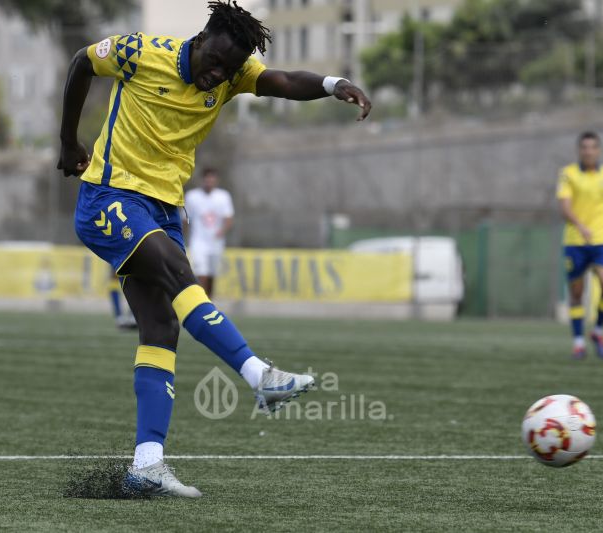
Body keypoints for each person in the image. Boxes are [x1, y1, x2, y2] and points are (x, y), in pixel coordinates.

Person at [57, 1, 371, 498]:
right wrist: (69, 143)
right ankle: (259, 374)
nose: (219, 75)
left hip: (163, 208)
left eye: (229, 69)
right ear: (200, 40)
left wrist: (335, 85)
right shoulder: (140, 52)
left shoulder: (232, 74)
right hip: (109, 196)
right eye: (215, 62)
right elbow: (81, 62)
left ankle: (147, 465)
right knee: (180, 274)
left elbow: (286, 81)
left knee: (161, 327)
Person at [557, 131, 603, 360]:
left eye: (592, 147)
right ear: (579, 150)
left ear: (599, 150)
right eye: (584, 147)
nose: (588, 151)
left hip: (600, 242)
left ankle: (598, 331)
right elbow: (565, 207)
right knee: (577, 293)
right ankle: (578, 343)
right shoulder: (568, 174)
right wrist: (580, 226)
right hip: (575, 242)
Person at [184, 167, 233, 298]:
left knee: (211, 274)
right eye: (207, 178)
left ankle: (209, 300)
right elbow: (185, 219)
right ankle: (201, 302)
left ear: (216, 180)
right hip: (198, 241)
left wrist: (221, 232)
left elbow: (228, 219)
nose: (209, 181)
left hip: (216, 242)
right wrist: (183, 236)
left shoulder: (223, 196)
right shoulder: (192, 196)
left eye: (212, 178)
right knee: (201, 272)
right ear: (202, 179)